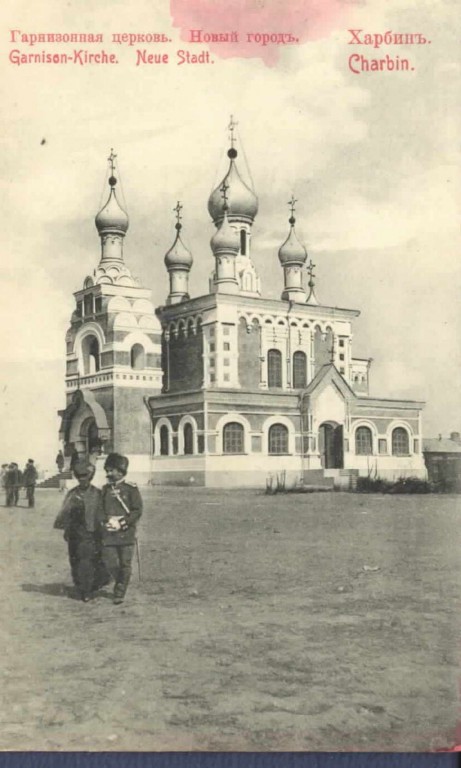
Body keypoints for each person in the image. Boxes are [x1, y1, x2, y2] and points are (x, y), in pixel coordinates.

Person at [53, 459, 109, 602]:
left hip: (91, 533)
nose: (82, 480)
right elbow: (64, 513)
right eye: (80, 477)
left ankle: (87, 590)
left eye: (85, 477)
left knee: (87, 561)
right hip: (74, 533)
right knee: (75, 560)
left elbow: (104, 512)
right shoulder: (72, 494)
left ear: (90, 477)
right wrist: (66, 529)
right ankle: (80, 586)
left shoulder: (97, 493)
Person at [100, 453, 143, 605]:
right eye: (107, 470)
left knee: (125, 563)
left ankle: (120, 590)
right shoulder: (105, 489)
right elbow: (100, 509)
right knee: (110, 562)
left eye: (111, 470)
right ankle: (119, 581)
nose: (108, 473)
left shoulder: (131, 489)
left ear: (120, 471)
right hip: (109, 532)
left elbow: (137, 511)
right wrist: (106, 521)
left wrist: (123, 523)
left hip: (126, 533)